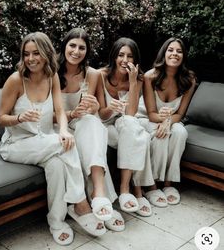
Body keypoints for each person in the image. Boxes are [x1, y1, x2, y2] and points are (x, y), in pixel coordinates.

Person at [0, 32, 106, 246]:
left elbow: (59, 110)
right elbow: (1, 118)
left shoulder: (52, 76)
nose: (31, 59)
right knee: (62, 145)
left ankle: (56, 221)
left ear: (46, 53)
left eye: (36, 53)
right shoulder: (16, 80)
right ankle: (80, 202)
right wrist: (19, 117)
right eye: (26, 54)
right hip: (16, 145)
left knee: (57, 164)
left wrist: (64, 130)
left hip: (43, 141)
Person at [57, 28, 125, 231]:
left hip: (81, 122)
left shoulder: (93, 75)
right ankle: (99, 200)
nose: (76, 51)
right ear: (64, 46)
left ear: (87, 51)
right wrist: (71, 114)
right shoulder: (52, 73)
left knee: (93, 123)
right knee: (77, 139)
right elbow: (46, 114)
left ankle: (99, 193)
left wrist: (95, 108)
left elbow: (98, 112)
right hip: (57, 124)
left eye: (82, 48)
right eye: (72, 46)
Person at [97, 37, 154, 217]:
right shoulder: (100, 75)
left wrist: (132, 82)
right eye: (121, 55)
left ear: (135, 60)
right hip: (102, 124)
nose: (125, 60)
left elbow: (130, 113)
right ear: (114, 56)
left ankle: (124, 189)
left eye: (129, 56)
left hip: (123, 122)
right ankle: (136, 190)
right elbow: (100, 114)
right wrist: (110, 108)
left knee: (133, 126)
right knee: (141, 137)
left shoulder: (138, 79)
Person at [140, 37, 196, 207]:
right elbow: (150, 113)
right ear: (164, 53)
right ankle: (152, 185)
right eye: (171, 50)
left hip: (172, 120)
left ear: (183, 56)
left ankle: (169, 183)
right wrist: (163, 122)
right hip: (145, 118)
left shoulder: (189, 80)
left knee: (180, 132)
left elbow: (180, 113)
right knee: (161, 134)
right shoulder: (150, 76)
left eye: (179, 51)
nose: (174, 54)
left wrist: (168, 121)